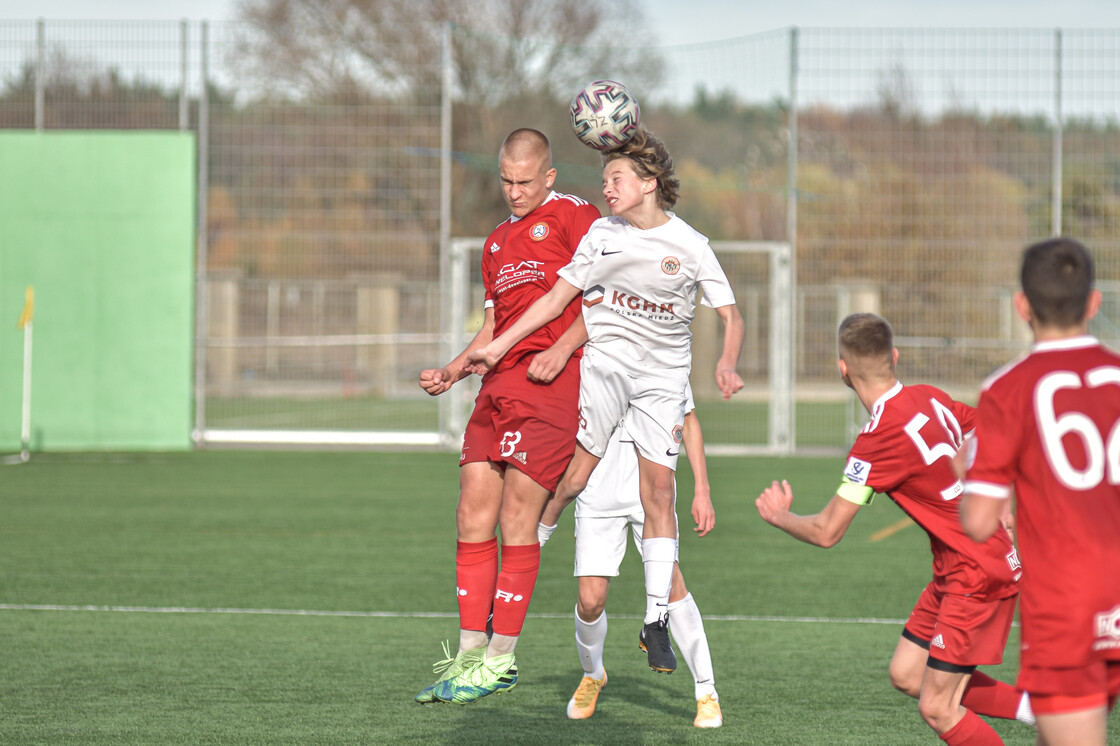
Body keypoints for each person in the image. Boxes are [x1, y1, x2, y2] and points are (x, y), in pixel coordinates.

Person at [467, 128, 745, 675]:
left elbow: (730, 315)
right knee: (571, 481)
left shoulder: (691, 245)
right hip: (608, 373)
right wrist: (496, 346)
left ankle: (656, 621)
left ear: (648, 184)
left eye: (614, 178)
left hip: (662, 379)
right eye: (604, 179)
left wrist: (727, 362)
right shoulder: (600, 234)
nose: (605, 187)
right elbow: (556, 300)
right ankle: (520, 572)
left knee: (659, 490)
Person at [756, 313, 1034, 746]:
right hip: (960, 565)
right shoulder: (929, 397)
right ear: (895, 357)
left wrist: (780, 516)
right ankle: (1032, 709)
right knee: (908, 674)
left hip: (974, 572)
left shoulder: (877, 438)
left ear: (842, 368)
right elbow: (987, 427)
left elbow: (828, 531)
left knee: (939, 708)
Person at [414, 128, 600, 705]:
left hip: (548, 386)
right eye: (505, 181)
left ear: (549, 176)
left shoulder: (575, 215)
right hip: (496, 385)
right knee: (472, 512)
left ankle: (501, 659)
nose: (514, 192)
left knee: (519, 519)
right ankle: (469, 655)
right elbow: (493, 327)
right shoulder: (495, 242)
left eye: (525, 181)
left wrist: (562, 348)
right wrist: (454, 368)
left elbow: (607, 299)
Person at [960, 238, 1120, 746]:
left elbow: (980, 520)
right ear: (1094, 302)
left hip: (1068, 605)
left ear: (1021, 305)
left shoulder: (1009, 388)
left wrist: (969, 469)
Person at [538, 387, 723, 728]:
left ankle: (706, 692)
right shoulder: (592, 352)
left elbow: (689, 420)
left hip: (650, 491)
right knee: (590, 600)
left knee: (671, 588)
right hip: (595, 492)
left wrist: (702, 489)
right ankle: (593, 675)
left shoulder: (662, 352)